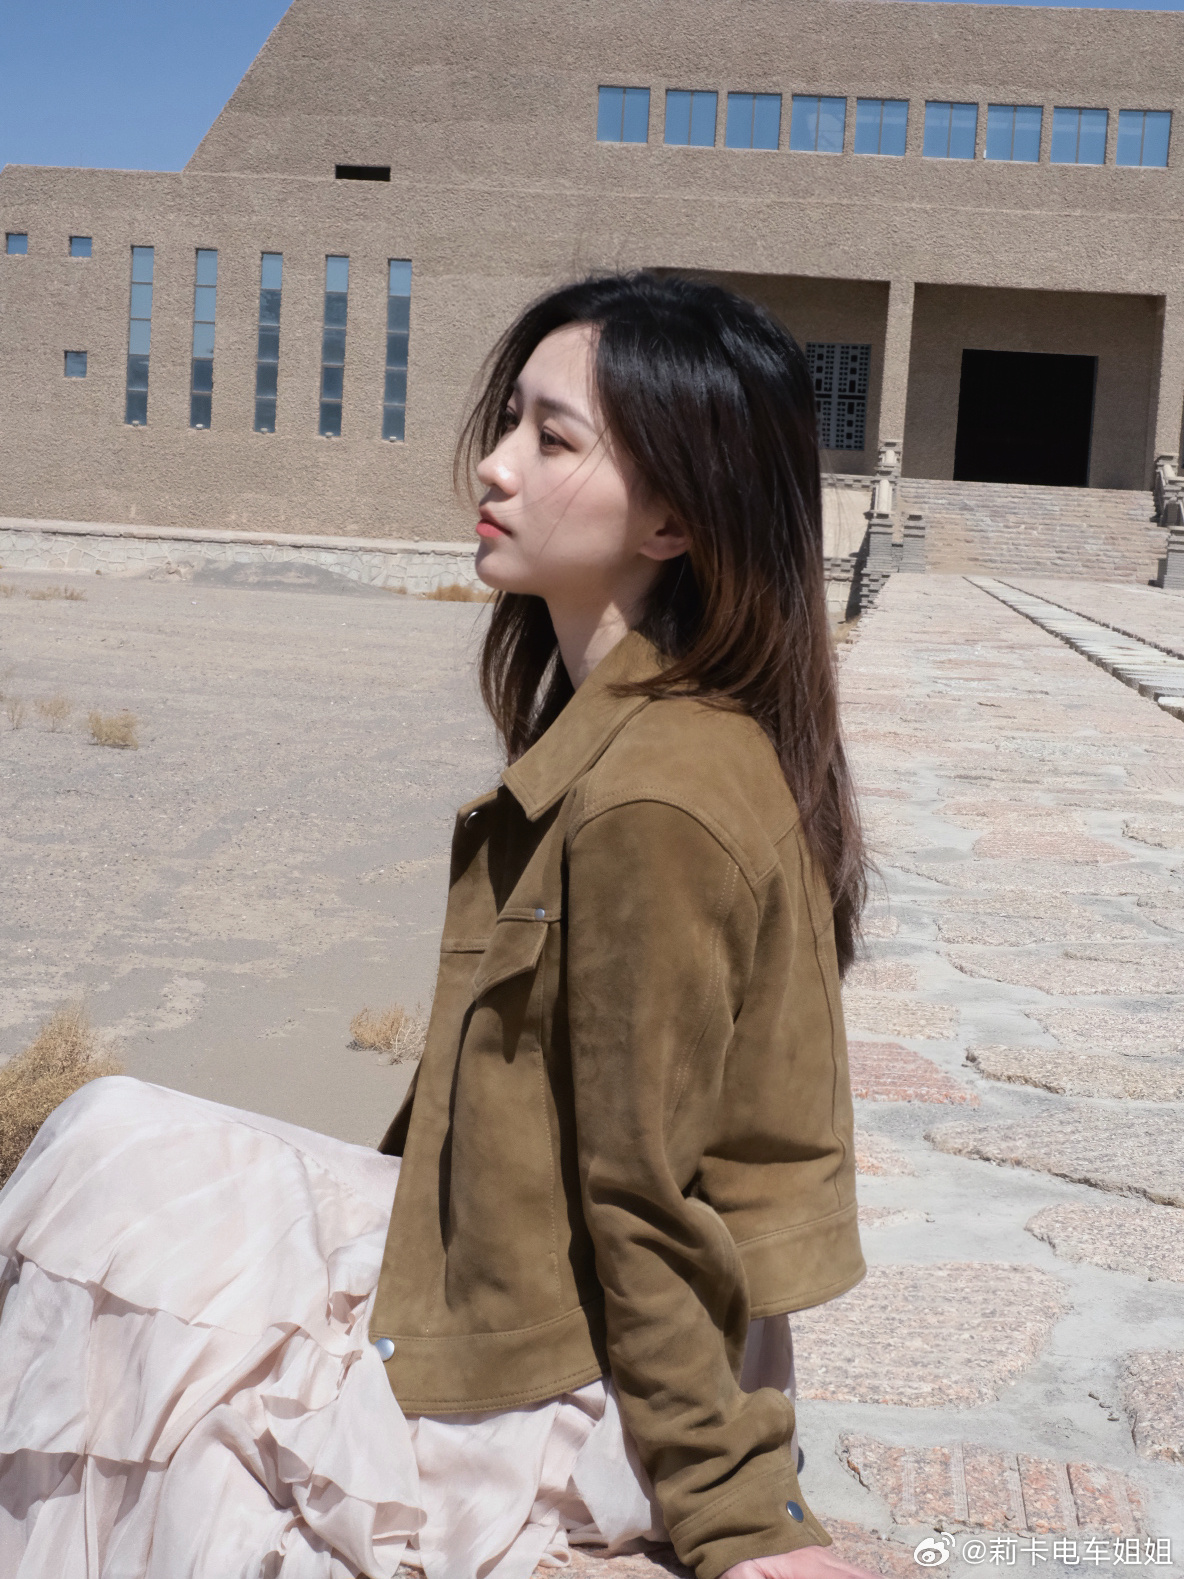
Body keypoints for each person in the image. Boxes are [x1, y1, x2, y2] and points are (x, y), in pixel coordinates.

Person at [0, 273, 873, 1579]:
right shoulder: (638, 733)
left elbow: (645, 1190)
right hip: (504, 1268)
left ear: (675, 519)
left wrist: (743, 1516)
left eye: (552, 439)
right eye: (509, 421)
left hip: (557, 1357)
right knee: (118, 1164)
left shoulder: (656, 794)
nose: (495, 464)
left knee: (108, 1175)